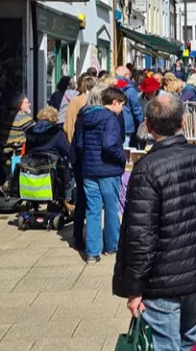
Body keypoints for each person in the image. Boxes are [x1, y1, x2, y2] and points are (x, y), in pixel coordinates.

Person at [112, 95, 196, 351]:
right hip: (195, 268)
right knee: (191, 336)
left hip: (162, 278)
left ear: (148, 126)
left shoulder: (147, 169)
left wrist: (134, 288)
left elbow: (140, 236)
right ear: (184, 121)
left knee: (167, 343)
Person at [73, 86, 127, 263]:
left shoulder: (86, 116)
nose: (122, 110)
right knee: (111, 209)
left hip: (89, 169)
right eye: (122, 106)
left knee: (93, 210)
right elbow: (110, 144)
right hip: (108, 170)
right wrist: (122, 158)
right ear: (114, 102)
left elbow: (79, 145)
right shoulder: (110, 118)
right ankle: (112, 246)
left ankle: (92, 252)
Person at [115, 66, 145, 147]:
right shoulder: (130, 89)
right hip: (126, 124)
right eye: (129, 76)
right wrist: (141, 121)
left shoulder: (109, 86)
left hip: (111, 122)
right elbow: (136, 108)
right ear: (125, 75)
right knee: (125, 150)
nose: (130, 78)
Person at [65, 75, 96, 144]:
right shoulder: (99, 101)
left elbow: (69, 124)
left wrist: (71, 141)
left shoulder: (75, 101)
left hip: (78, 140)